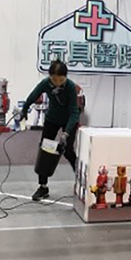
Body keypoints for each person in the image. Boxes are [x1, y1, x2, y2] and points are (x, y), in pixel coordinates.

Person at [19, 60, 79, 201]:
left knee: (68, 151)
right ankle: (43, 186)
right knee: (46, 150)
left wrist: (66, 133)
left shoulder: (70, 87)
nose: (57, 83)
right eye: (54, 79)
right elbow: (33, 96)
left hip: (68, 121)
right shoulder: (46, 83)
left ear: (65, 77)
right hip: (52, 119)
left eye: (61, 80)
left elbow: (74, 112)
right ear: (50, 77)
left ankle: (81, 180)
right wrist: (24, 110)